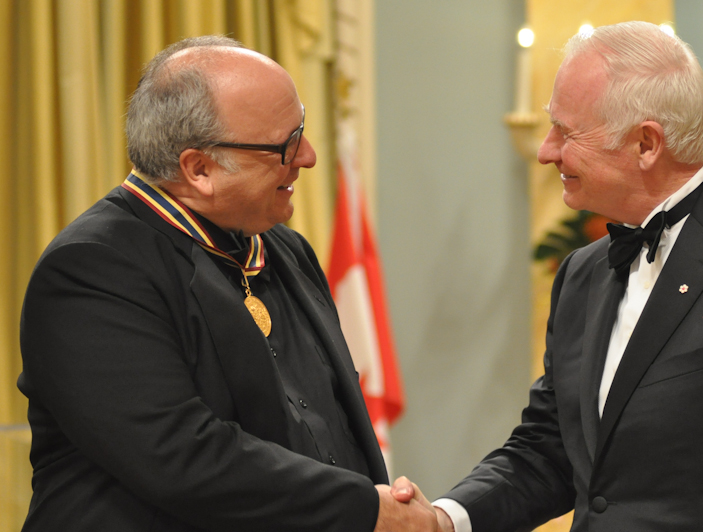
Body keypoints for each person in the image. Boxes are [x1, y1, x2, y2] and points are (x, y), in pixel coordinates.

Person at [419, 21, 703, 532]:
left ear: (646, 144)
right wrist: (442, 520)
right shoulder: (582, 271)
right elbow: (551, 449)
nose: (547, 150)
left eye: (566, 132)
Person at [17, 36, 436, 532]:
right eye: (285, 145)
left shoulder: (285, 248)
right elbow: (181, 455)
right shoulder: (92, 269)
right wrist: (367, 509)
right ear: (199, 169)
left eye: (301, 129)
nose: (308, 156)